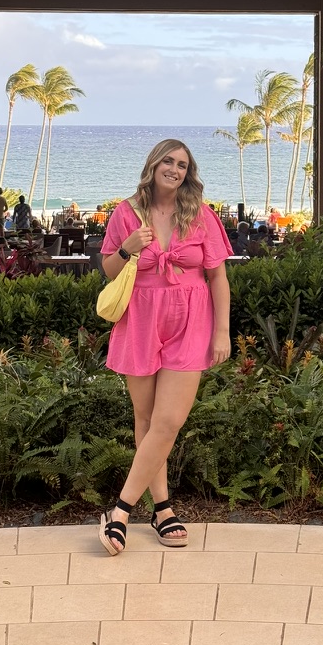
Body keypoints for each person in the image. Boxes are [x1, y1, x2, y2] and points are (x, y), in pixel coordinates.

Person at [98, 138, 232, 555]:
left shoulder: (201, 215)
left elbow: (218, 278)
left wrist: (222, 331)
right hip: (140, 317)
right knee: (146, 417)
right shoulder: (127, 213)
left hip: (191, 321)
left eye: (182, 164)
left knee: (169, 420)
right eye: (169, 161)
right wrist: (128, 248)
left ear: (187, 173)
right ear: (154, 164)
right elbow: (108, 268)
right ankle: (162, 508)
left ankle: (120, 510)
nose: (174, 169)